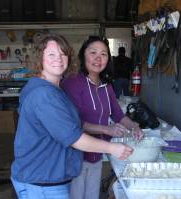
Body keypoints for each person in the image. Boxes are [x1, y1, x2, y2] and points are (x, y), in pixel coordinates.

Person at [10, 33, 134, 199]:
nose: (59, 59)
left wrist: (132, 126)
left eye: (63, 54)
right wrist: (112, 148)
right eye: (51, 54)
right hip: (42, 182)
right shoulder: (44, 94)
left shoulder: (56, 90)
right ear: (39, 58)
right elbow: (73, 136)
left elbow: (71, 126)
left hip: (52, 176)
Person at [61, 36, 143, 199]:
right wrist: (107, 129)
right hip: (76, 156)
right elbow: (72, 124)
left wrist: (134, 126)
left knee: (92, 195)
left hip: (97, 153)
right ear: (83, 55)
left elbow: (118, 114)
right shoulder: (73, 82)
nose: (98, 58)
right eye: (93, 52)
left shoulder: (107, 85)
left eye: (103, 54)